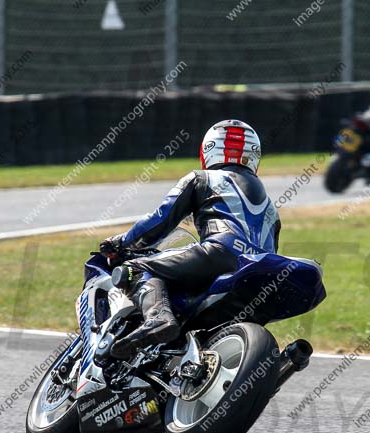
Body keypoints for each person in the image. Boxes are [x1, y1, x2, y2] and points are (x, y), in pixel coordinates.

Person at [100, 120, 281, 359]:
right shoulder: (272, 210)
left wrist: (121, 243)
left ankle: (157, 320)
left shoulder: (202, 178)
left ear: (208, 150)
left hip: (218, 252)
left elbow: (160, 221)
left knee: (133, 269)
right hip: (260, 272)